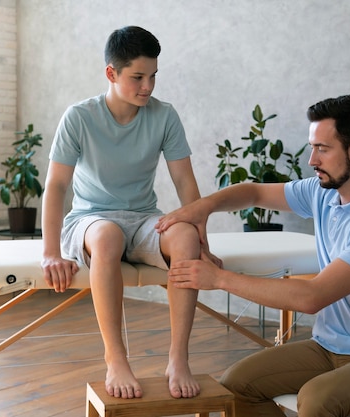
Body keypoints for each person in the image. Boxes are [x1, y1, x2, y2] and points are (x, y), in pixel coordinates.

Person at [156, 93, 350, 416]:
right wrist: (204, 207)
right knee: (237, 384)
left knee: (316, 399)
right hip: (329, 347)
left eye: (322, 149)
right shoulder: (322, 194)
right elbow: (255, 192)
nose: (312, 160)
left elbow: (311, 296)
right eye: (312, 147)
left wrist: (219, 278)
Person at [41, 26, 219, 400]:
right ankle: (116, 357)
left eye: (153, 76)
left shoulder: (164, 116)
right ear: (112, 73)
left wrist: (202, 239)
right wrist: (51, 252)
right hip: (91, 219)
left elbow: (185, 182)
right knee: (107, 236)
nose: (148, 86)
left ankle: (178, 358)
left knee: (184, 235)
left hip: (142, 219)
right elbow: (56, 186)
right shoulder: (78, 117)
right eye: (138, 77)